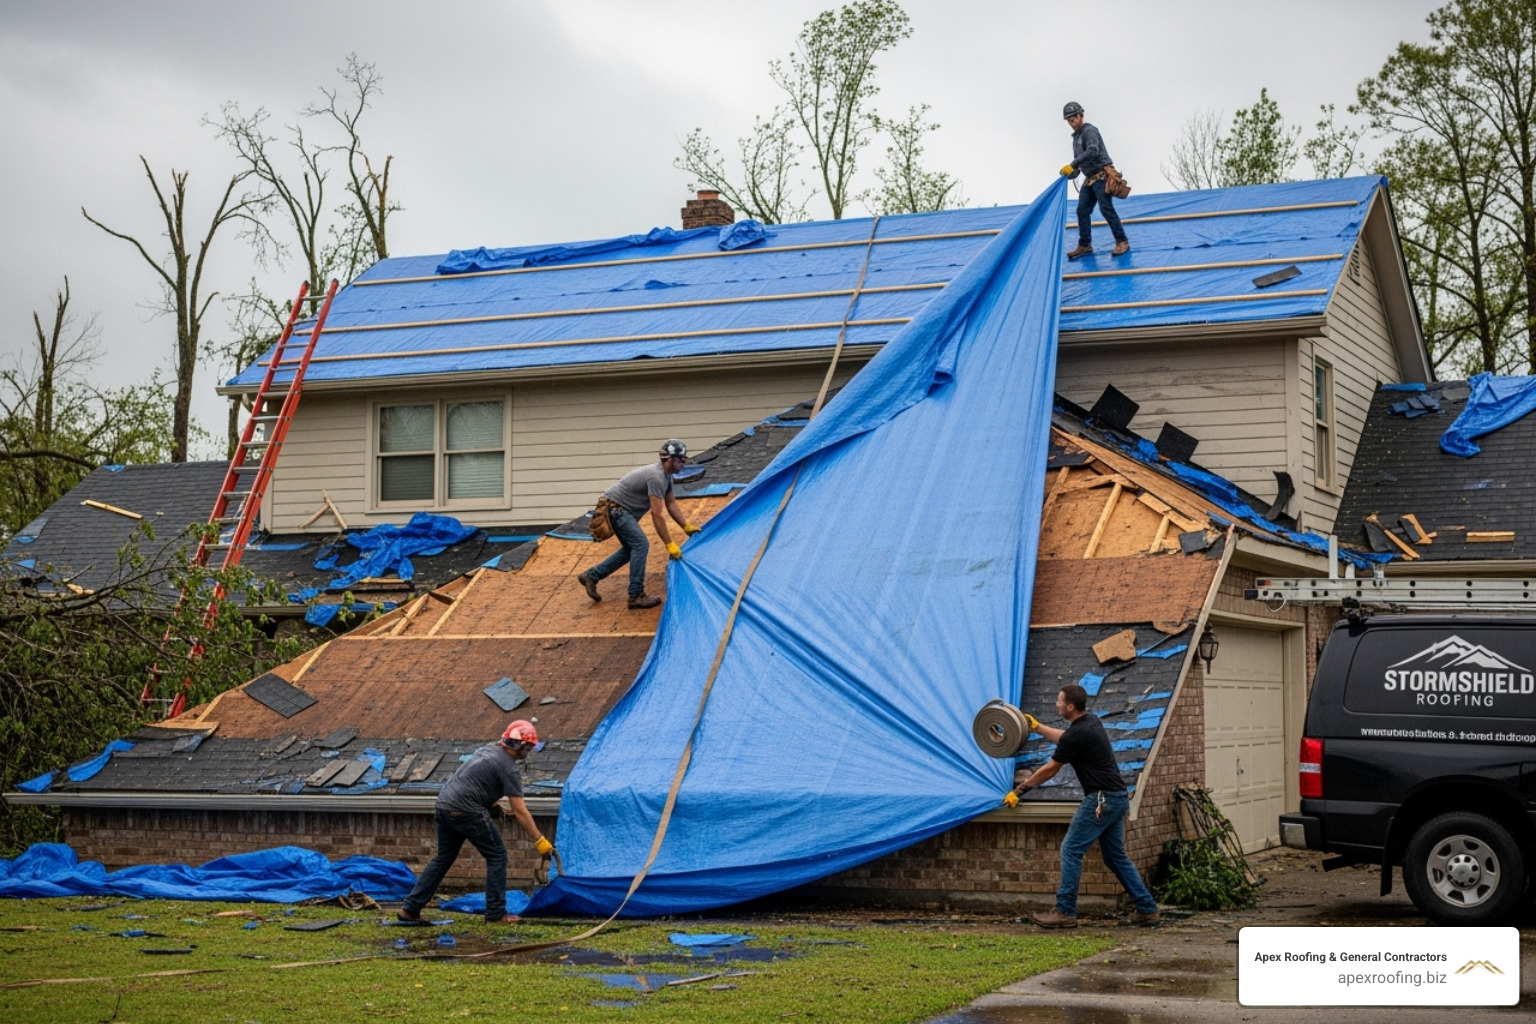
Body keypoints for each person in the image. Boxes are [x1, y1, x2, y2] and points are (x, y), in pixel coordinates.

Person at [1014, 683, 1160, 928]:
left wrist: (1021, 789)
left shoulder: (1079, 733)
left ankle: (1065, 911)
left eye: (1059, 701)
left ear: (1070, 707)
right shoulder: (1091, 721)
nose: (1056, 704)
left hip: (1100, 799)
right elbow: (1065, 739)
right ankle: (1147, 909)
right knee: (1115, 857)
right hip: (1117, 797)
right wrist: (1038, 727)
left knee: (1071, 849)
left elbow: (1050, 768)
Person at [398, 720, 555, 925]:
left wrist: (491, 805)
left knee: (443, 858)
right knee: (497, 856)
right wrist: (539, 840)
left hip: (444, 805)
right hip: (466, 810)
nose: (529, 750)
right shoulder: (509, 769)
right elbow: (520, 810)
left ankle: (409, 909)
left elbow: (475, 782)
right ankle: (496, 913)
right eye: (529, 746)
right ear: (521, 745)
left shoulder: (486, 751)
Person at [577, 439, 700, 610]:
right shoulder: (656, 477)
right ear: (669, 459)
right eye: (680, 459)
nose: (684, 462)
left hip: (621, 510)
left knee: (631, 549)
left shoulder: (667, 477)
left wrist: (686, 526)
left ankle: (592, 576)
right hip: (616, 509)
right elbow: (657, 514)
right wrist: (668, 544)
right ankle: (635, 595)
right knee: (640, 544)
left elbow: (671, 503)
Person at [1060, 101, 1130, 260]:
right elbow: (1080, 162)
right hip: (1090, 178)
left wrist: (1073, 164)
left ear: (1081, 116)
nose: (1071, 123)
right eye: (1069, 120)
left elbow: (1092, 151)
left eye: (1073, 119)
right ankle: (1085, 244)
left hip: (1102, 175)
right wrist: (1071, 172)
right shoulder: (1076, 138)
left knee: (1106, 208)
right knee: (1082, 210)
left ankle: (1122, 241)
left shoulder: (1089, 131)